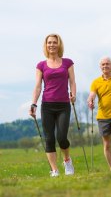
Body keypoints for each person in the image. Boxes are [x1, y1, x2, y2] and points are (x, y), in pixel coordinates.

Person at [29, 34, 76, 177]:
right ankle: (54, 170)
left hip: (63, 105)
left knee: (62, 137)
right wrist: (33, 103)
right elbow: (38, 86)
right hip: (47, 105)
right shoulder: (41, 65)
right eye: (49, 43)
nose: (52, 45)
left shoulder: (67, 62)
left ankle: (67, 161)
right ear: (46, 45)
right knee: (49, 138)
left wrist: (73, 94)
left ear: (59, 44)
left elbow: (72, 82)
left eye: (54, 42)